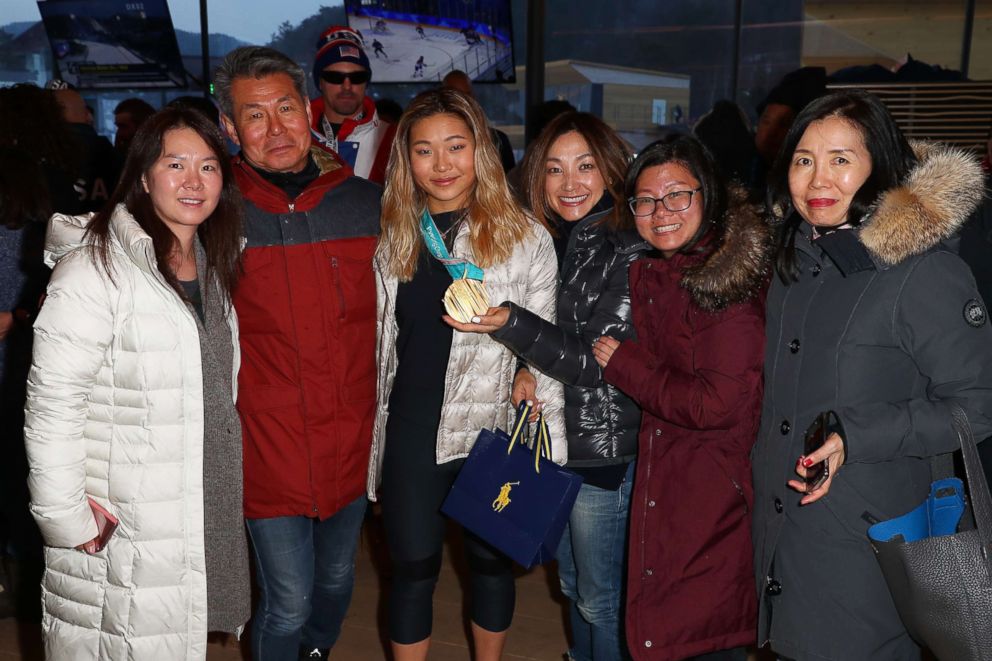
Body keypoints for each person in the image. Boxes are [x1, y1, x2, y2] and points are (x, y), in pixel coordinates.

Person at [751, 89, 992, 660]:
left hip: (870, 537)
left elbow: (979, 404)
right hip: (783, 527)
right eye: (804, 159)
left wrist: (859, 434)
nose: (817, 180)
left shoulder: (923, 273)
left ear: (878, 167)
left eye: (841, 159)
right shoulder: (794, 263)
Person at [23, 106, 249, 659]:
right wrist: (67, 519)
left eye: (209, 166)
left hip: (192, 505)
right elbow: (52, 406)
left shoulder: (213, 266)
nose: (194, 181)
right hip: (121, 521)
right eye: (175, 164)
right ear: (144, 176)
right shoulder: (93, 269)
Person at [369, 87, 564, 661]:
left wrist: (529, 371)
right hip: (411, 423)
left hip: (493, 421)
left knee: (489, 563)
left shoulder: (525, 237)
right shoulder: (393, 237)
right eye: (424, 151)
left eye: (456, 146)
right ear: (405, 160)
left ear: (480, 149)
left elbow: (546, 335)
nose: (442, 164)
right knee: (411, 566)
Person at [444, 111, 642, 661]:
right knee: (574, 588)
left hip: (602, 447)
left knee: (602, 599)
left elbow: (595, 364)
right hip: (557, 439)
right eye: (554, 169)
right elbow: (556, 336)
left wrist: (510, 322)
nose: (570, 182)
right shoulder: (553, 238)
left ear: (610, 169)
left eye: (585, 166)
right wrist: (525, 367)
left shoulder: (628, 248)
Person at [213, 46, 382, 661]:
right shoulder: (213, 211)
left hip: (351, 434)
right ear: (230, 129)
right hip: (267, 441)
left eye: (285, 107)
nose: (275, 127)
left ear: (308, 111)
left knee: (336, 583)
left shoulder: (366, 203)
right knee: (286, 599)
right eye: (254, 116)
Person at [593, 134, 769, 660]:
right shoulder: (669, 269)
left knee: (700, 632)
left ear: (707, 195)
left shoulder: (726, 286)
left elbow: (716, 404)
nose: (660, 211)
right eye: (645, 200)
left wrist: (624, 364)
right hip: (679, 479)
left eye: (677, 196)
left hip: (711, 492)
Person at [310, 25, 396, 184]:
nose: (347, 86)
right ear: (320, 82)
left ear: (366, 82)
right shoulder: (296, 136)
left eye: (357, 77)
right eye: (335, 77)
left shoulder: (393, 138)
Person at [443, 69, 515, 173]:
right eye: (455, 95)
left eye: (466, 95)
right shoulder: (431, 139)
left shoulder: (498, 140)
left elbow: (509, 181)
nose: (462, 100)